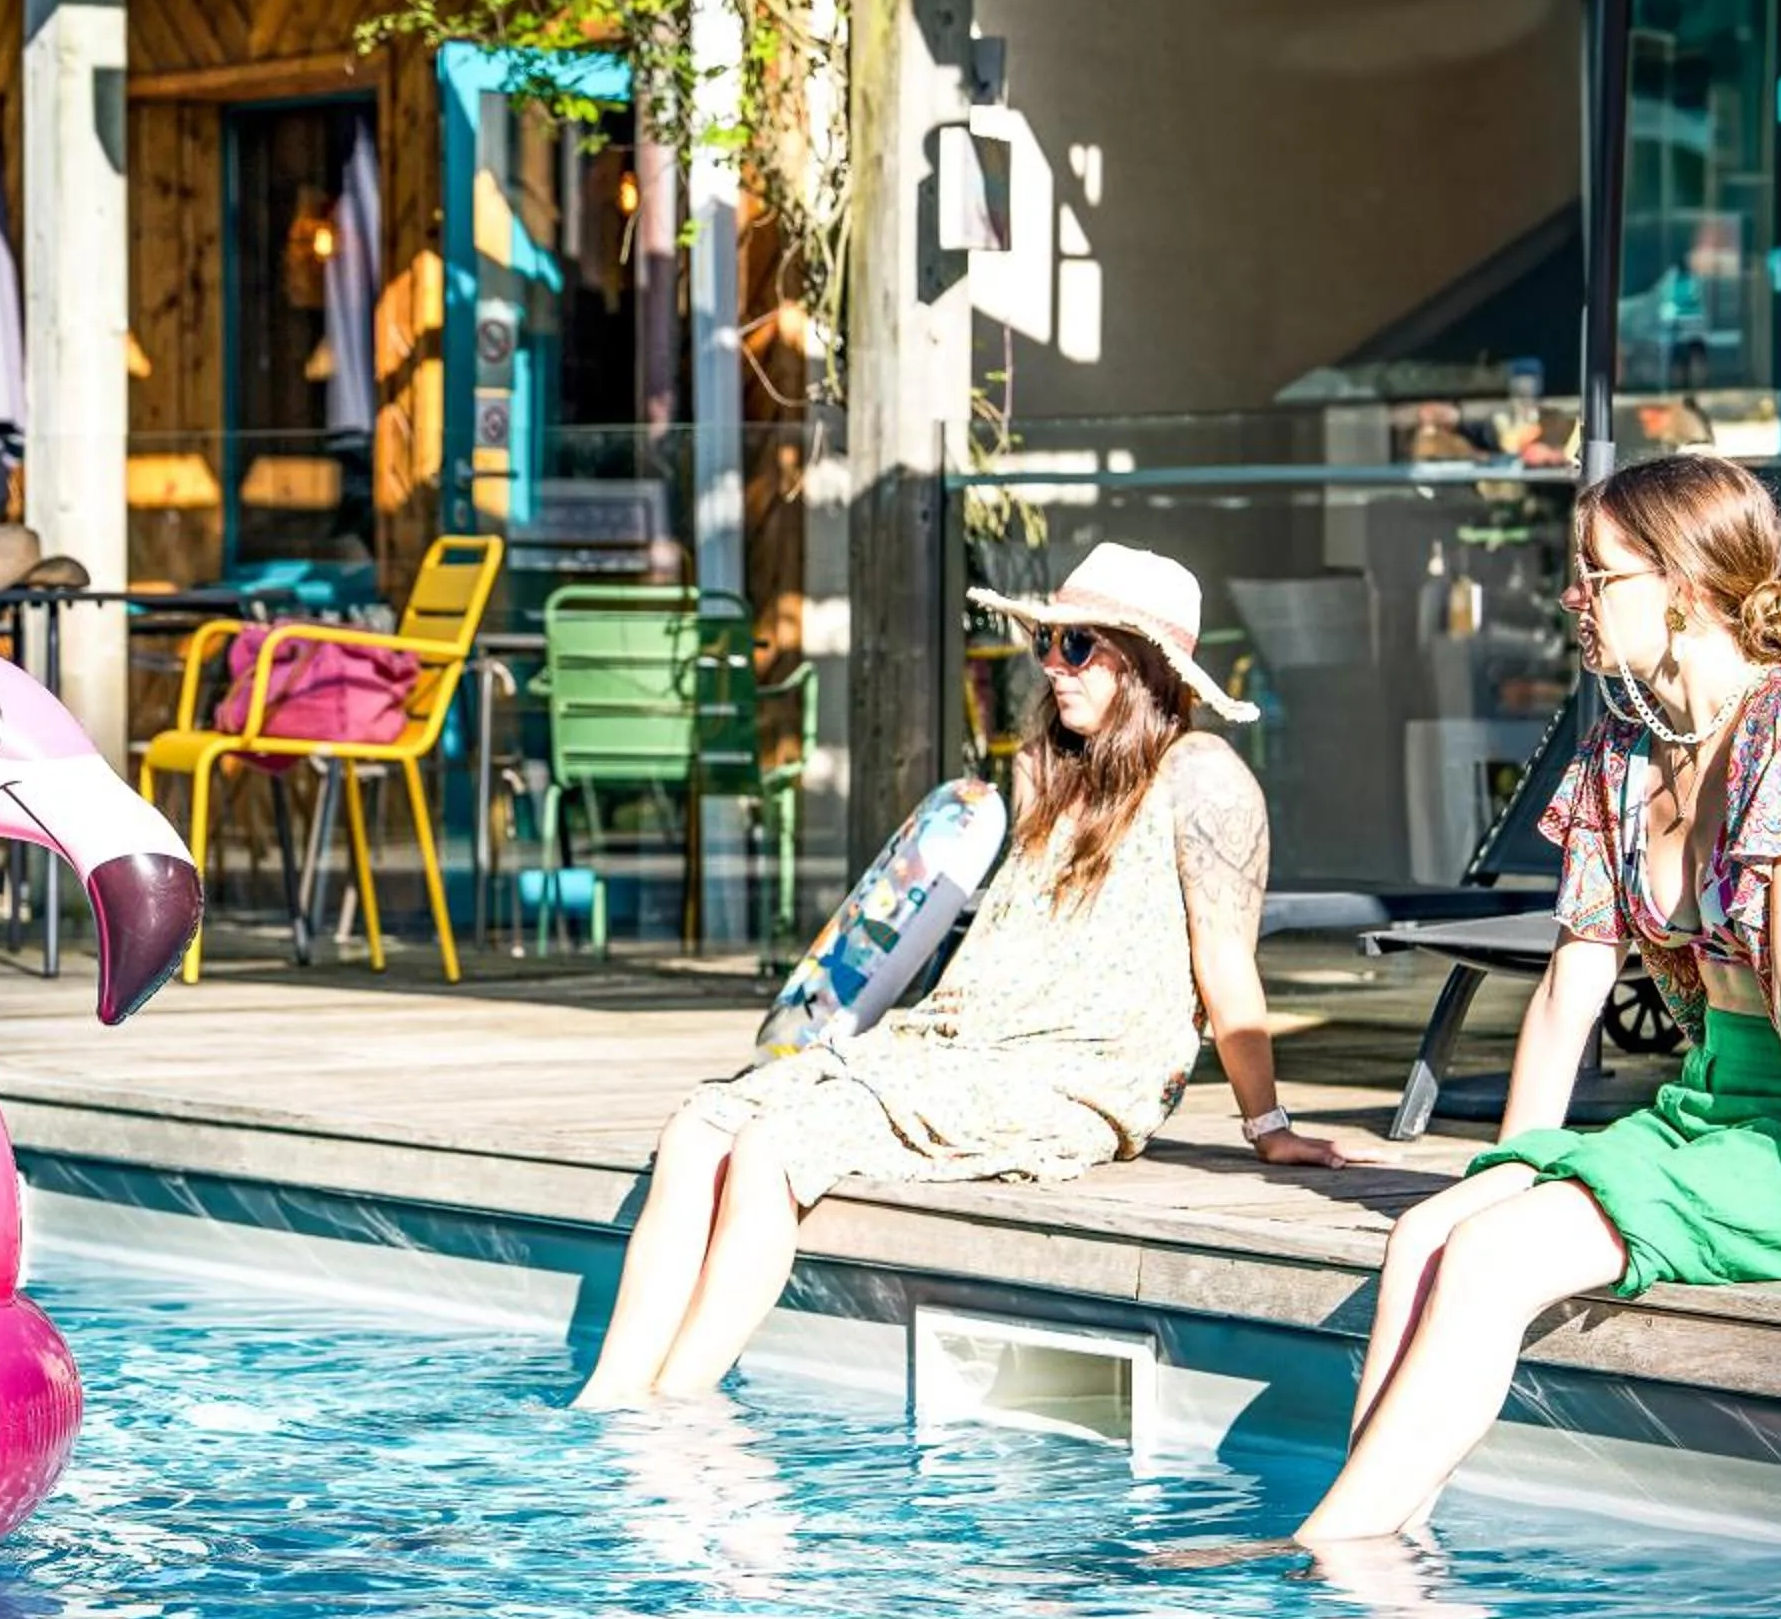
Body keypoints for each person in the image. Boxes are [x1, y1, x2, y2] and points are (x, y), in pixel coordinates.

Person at [1296, 453, 1781, 1548]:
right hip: (1712, 1114)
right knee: (1431, 1238)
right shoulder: (1624, 749)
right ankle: (1386, 1544)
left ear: (1682, 586)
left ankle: (1322, 1557)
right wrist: (1511, 1170)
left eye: (1596, 575)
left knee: (1494, 1261)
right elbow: (1567, 993)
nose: (1571, 599)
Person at [576, 543, 1364, 1411]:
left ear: (1144, 668)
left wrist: (1269, 1126)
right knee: (697, 1128)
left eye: (1078, 648)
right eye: (1047, 645)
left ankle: (678, 1404)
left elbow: (1225, 966)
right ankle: (611, 1402)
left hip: (1079, 1072)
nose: (1053, 668)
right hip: (962, 1043)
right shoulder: (1045, 770)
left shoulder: (1206, 780)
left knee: (770, 1147)